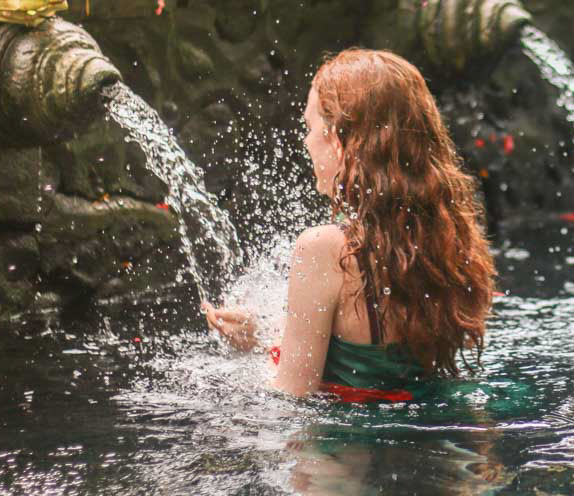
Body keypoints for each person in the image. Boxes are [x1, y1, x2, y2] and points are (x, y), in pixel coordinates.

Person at [202, 49, 497, 402]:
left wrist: (255, 358)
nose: (306, 142)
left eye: (311, 128)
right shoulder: (449, 238)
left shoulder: (324, 248)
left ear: (343, 143)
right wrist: (263, 335)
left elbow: (291, 396)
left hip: (346, 452)